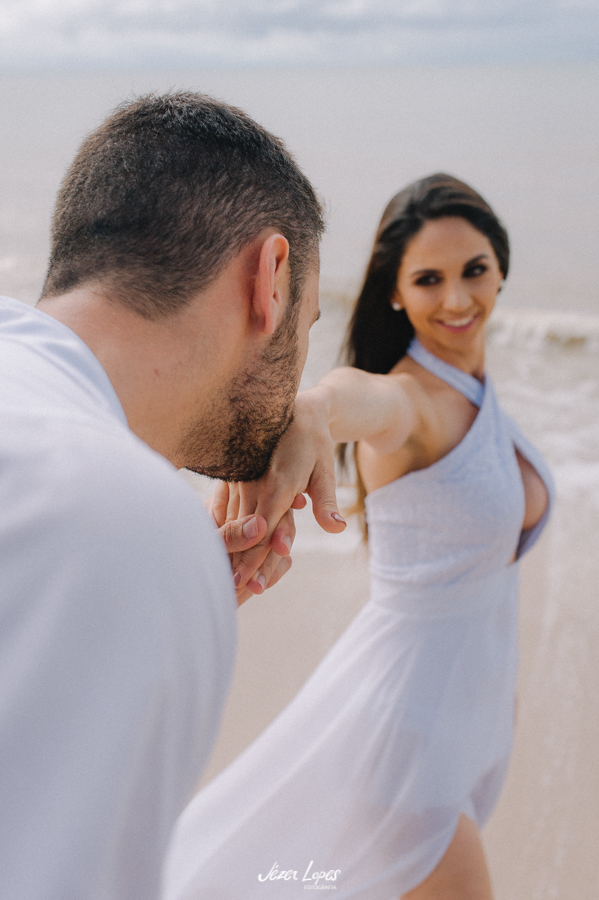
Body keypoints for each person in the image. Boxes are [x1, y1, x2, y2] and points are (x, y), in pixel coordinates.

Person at [163, 174, 554, 899]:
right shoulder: (414, 400)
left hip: (458, 733)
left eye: (473, 270)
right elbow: (360, 400)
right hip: (406, 742)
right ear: (396, 293)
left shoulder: (473, 392)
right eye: (428, 280)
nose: (457, 298)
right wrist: (311, 411)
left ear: (500, 267)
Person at [0, 91, 347, 900]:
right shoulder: (119, 524)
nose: (300, 362)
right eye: (309, 323)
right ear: (270, 278)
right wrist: (155, 581)